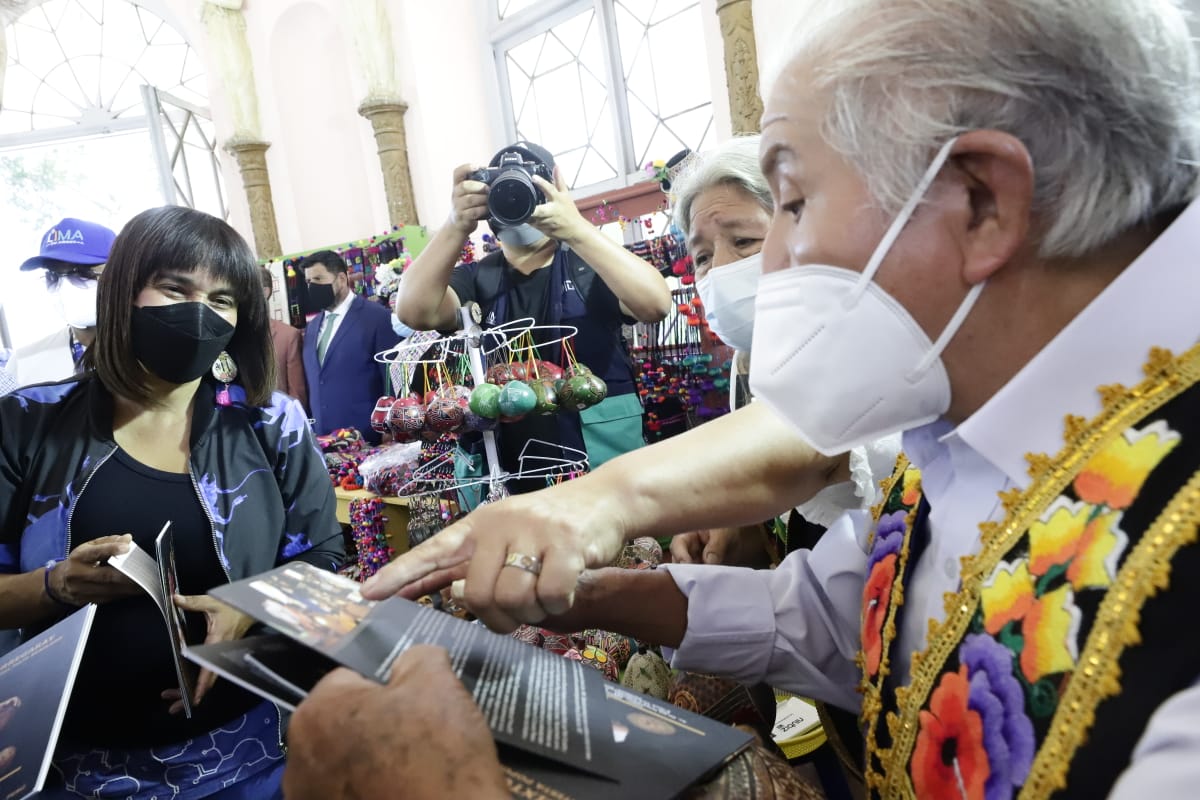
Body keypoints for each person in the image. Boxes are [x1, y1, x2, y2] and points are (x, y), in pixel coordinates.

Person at [314, 0, 1199, 797]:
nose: (765, 267)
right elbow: (847, 618)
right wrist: (588, 595)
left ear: (979, 201)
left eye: (793, 202)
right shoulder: (961, 429)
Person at [0, 205, 345, 800]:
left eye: (221, 299)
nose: (199, 312)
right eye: (174, 288)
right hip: (74, 773)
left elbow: (325, 556)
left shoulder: (269, 425)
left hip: (251, 757)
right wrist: (55, 585)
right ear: (123, 295)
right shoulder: (28, 424)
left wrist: (249, 606)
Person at [668, 134, 899, 568]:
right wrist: (737, 533)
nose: (719, 270)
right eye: (701, 256)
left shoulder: (873, 351)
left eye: (743, 242)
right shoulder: (750, 364)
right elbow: (796, 536)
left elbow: (812, 452)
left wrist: (609, 501)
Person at [396, 141, 672, 490]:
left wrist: (575, 228)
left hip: (600, 473)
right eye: (501, 185)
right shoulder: (476, 278)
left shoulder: (592, 264)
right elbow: (413, 310)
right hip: (506, 472)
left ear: (557, 189)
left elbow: (656, 304)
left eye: (528, 182)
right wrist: (455, 224)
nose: (514, 193)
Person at [301, 249, 400, 444]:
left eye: (318, 279)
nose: (312, 287)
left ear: (341, 279)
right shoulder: (312, 328)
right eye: (309, 282)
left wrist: (390, 427)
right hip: (324, 440)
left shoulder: (376, 318)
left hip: (367, 437)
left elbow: (392, 378)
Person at [10, 217, 115, 388]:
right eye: (53, 276)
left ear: (120, 275)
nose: (65, 286)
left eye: (83, 274)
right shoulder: (24, 365)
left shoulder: (154, 350)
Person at [258, 266, 307, 410]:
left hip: (277, 424)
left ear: (265, 292)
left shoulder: (288, 336)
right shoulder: (230, 335)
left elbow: (297, 394)